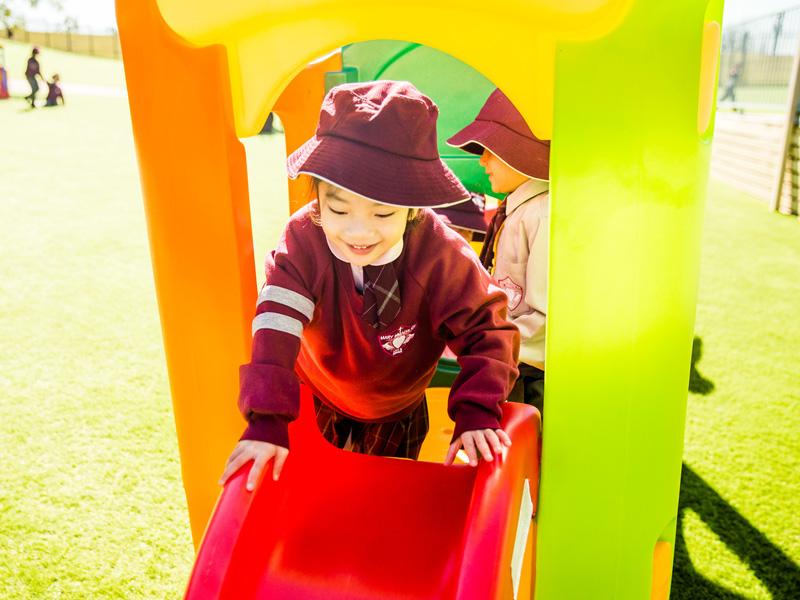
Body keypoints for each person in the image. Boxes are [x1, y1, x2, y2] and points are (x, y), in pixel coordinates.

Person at [218, 81, 520, 491]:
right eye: (339, 209)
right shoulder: (305, 238)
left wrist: (478, 412)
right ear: (317, 197)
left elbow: (488, 328)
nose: (358, 231)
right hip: (317, 394)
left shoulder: (439, 253)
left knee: (383, 497)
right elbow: (276, 320)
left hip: (396, 408)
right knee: (314, 491)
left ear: (414, 208)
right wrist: (267, 420)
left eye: (382, 214)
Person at [447, 88, 550, 413]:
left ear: (523, 152)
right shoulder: (520, 208)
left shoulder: (543, 215)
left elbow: (546, 312)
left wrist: (490, 340)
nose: (482, 160)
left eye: (491, 150)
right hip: (511, 353)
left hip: (530, 367)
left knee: (527, 442)